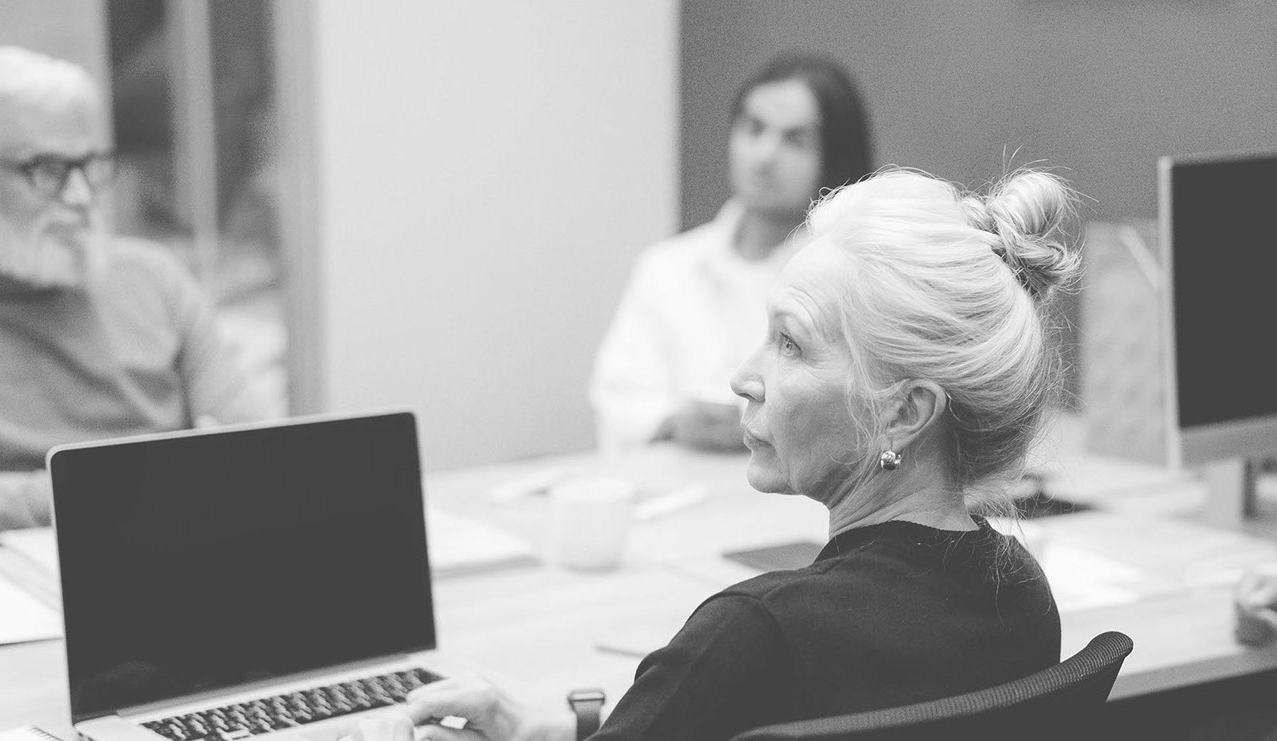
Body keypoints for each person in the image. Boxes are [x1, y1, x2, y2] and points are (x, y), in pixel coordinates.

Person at [363, 165, 1079, 740]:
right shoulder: (1018, 595)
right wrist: (574, 724)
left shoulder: (754, 634)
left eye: (790, 343)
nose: (744, 377)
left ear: (904, 412)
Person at [0, 46, 279, 554]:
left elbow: (263, 453)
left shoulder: (151, 280)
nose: (83, 198)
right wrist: (97, 494)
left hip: (184, 562)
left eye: (91, 165)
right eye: (46, 170)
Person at [588, 51, 872, 453]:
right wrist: (675, 420)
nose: (764, 156)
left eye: (795, 139)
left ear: (833, 157)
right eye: (754, 128)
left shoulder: (851, 278)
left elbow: (858, 414)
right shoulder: (668, 266)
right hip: (676, 492)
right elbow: (618, 396)